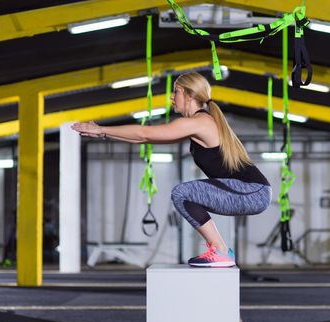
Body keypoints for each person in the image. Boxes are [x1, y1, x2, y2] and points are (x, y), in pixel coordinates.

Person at [71, 71, 271, 268]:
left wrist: (102, 128)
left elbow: (143, 133)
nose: (171, 97)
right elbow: (146, 137)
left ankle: (219, 249)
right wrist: (104, 135)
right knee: (184, 195)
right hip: (250, 191)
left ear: (190, 95)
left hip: (252, 191)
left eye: (176, 91)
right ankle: (221, 251)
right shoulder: (199, 124)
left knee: (183, 193)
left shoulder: (200, 122)